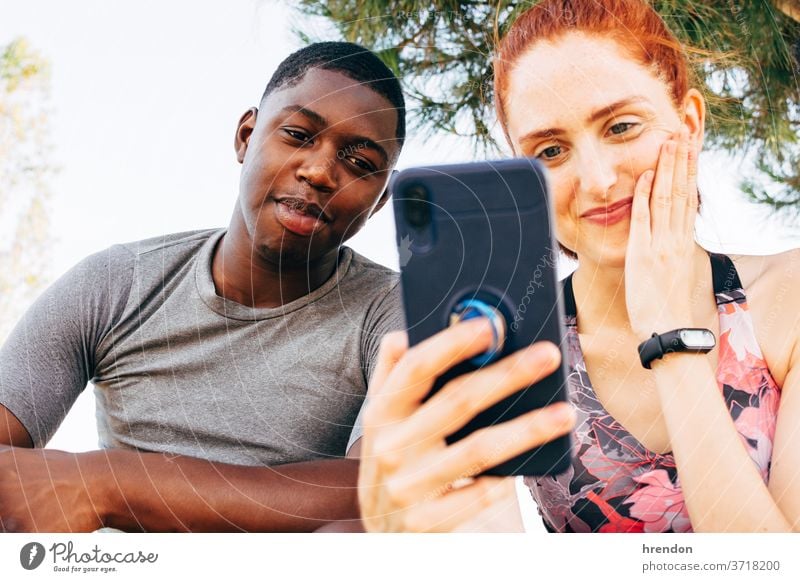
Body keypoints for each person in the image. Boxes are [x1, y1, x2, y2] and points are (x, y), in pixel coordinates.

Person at [352, 0, 800, 532]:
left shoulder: (787, 295)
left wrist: (670, 336)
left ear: (689, 124)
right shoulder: (514, 350)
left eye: (621, 127)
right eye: (550, 151)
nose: (597, 180)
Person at [0, 41, 406, 532]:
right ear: (246, 135)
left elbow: (385, 495)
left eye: (360, 164)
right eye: (298, 135)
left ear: (380, 199)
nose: (320, 172)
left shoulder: (395, 312)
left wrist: (105, 483)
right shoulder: (114, 285)